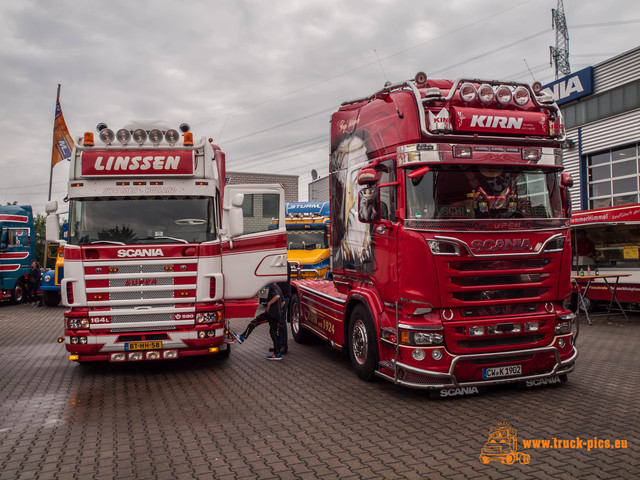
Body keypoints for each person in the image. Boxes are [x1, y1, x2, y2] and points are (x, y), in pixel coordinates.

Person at [232, 282, 285, 360]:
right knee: (273, 333)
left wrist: (269, 304)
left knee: (254, 323)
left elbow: (277, 296)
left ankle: (242, 337)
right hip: (277, 314)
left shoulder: (272, 287)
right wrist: (278, 309)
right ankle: (277, 353)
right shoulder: (278, 287)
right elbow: (283, 302)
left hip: (270, 314)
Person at [273, 263, 292, 355]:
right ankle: (278, 345)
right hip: (279, 296)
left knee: (281, 321)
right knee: (276, 321)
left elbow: (283, 283)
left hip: (283, 296)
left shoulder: (285, 265)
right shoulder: (279, 264)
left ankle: (283, 346)